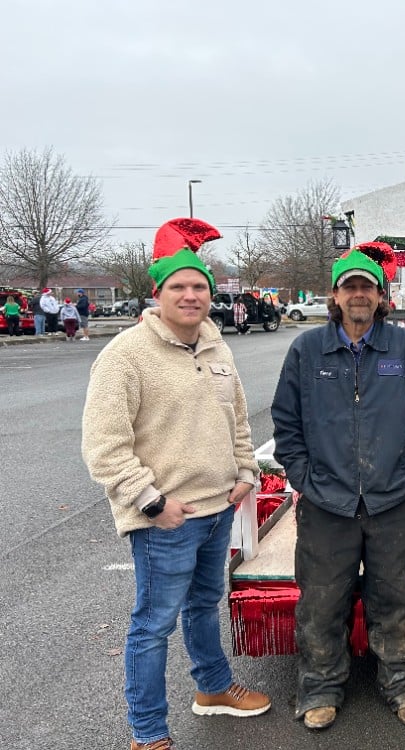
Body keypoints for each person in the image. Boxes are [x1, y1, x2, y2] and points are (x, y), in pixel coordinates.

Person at [82, 218, 271, 750]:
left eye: (199, 287)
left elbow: (236, 420)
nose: (190, 296)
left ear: (211, 293)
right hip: (165, 516)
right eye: (178, 287)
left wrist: (245, 473)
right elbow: (105, 445)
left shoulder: (217, 348)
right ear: (158, 293)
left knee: (203, 604)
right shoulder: (125, 355)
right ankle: (148, 732)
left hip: (218, 511)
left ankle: (211, 688)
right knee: (153, 624)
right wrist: (152, 502)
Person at [271, 249, 405, 732]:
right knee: (322, 601)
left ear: (381, 296)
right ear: (335, 295)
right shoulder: (307, 351)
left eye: (367, 286)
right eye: (350, 287)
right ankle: (320, 687)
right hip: (328, 503)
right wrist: (303, 476)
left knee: (394, 600)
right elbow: (286, 420)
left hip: (393, 501)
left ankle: (404, 683)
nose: (359, 294)